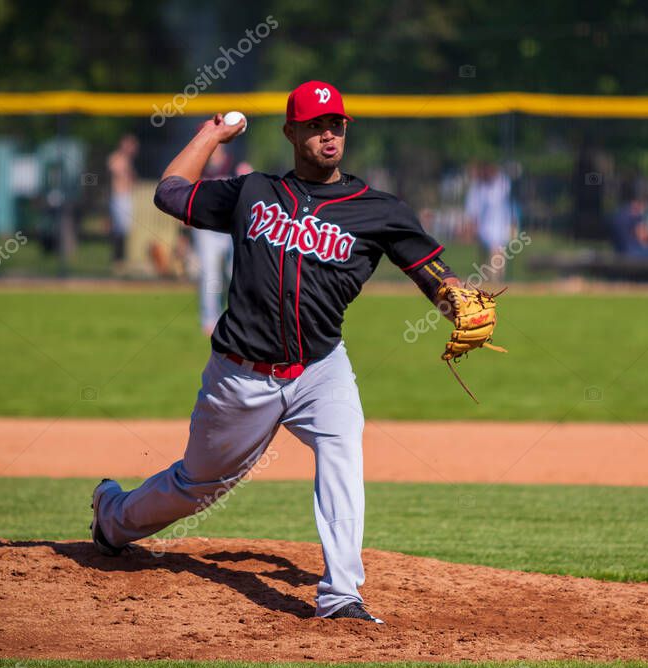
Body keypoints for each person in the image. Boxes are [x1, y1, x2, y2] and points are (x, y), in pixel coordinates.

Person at [90, 81, 486, 624]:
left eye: (337, 124)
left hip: (322, 370)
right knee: (197, 485)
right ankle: (112, 519)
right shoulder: (252, 192)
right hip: (239, 377)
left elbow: (433, 274)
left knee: (344, 451)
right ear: (292, 132)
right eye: (317, 125)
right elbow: (171, 192)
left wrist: (456, 301)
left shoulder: (378, 211)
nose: (329, 134)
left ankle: (341, 594)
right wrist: (211, 133)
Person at [192, 145, 243, 335]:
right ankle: (210, 319)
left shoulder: (235, 163)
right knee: (210, 274)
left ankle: (238, 317)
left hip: (231, 227)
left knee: (235, 271)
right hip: (206, 228)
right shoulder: (199, 165)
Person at [464, 161, 513, 281]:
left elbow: (503, 187)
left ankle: (496, 279)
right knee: (487, 253)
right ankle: (489, 278)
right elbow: (472, 209)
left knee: (497, 251)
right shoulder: (477, 188)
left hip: (499, 224)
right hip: (484, 226)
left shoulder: (500, 184)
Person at [107, 134, 139, 270]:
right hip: (119, 197)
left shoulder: (128, 161)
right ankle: (117, 260)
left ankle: (123, 260)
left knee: (126, 230)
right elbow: (117, 172)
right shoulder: (116, 158)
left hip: (127, 196)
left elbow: (133, 179)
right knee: (120, 229)